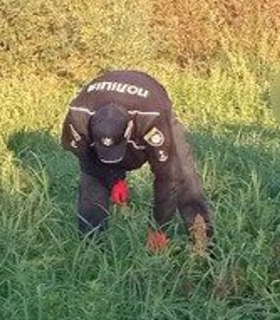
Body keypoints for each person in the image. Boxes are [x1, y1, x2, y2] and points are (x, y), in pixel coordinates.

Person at [61, 69, 211, 253]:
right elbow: (87, 160)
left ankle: (203, 244)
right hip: (100, 107)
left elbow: (168, 177)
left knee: (184, 175)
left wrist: (158, 227)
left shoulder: (152, 118)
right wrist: (115, 179)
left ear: (130, 129)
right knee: (92, 182)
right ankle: (90, 251)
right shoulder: (77, 117)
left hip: (151, 100)